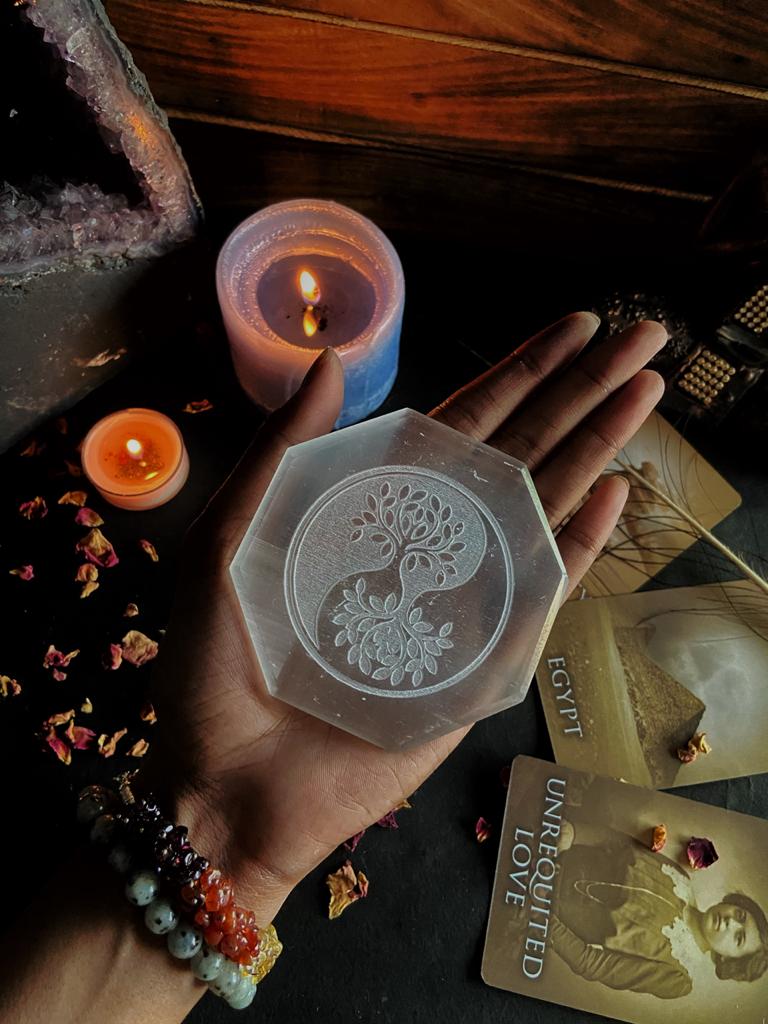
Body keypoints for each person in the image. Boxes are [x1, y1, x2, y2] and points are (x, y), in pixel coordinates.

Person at [0, 312, 668, 1022]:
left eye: (434, 576)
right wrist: (221, 826)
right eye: (423, 569)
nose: (422, 587)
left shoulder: (405, 612)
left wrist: (227, 840)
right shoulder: (344, 582)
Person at [551, 819, 768, 998]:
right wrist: (576, 832)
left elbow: (591, 963)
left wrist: (544, 917)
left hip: (545, 904)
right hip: (554, 844)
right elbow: (617, 843)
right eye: (740, 915)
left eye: (738, 937)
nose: (731, 922)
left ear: (728, 960)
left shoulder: (678, 978)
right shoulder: (680, 878)